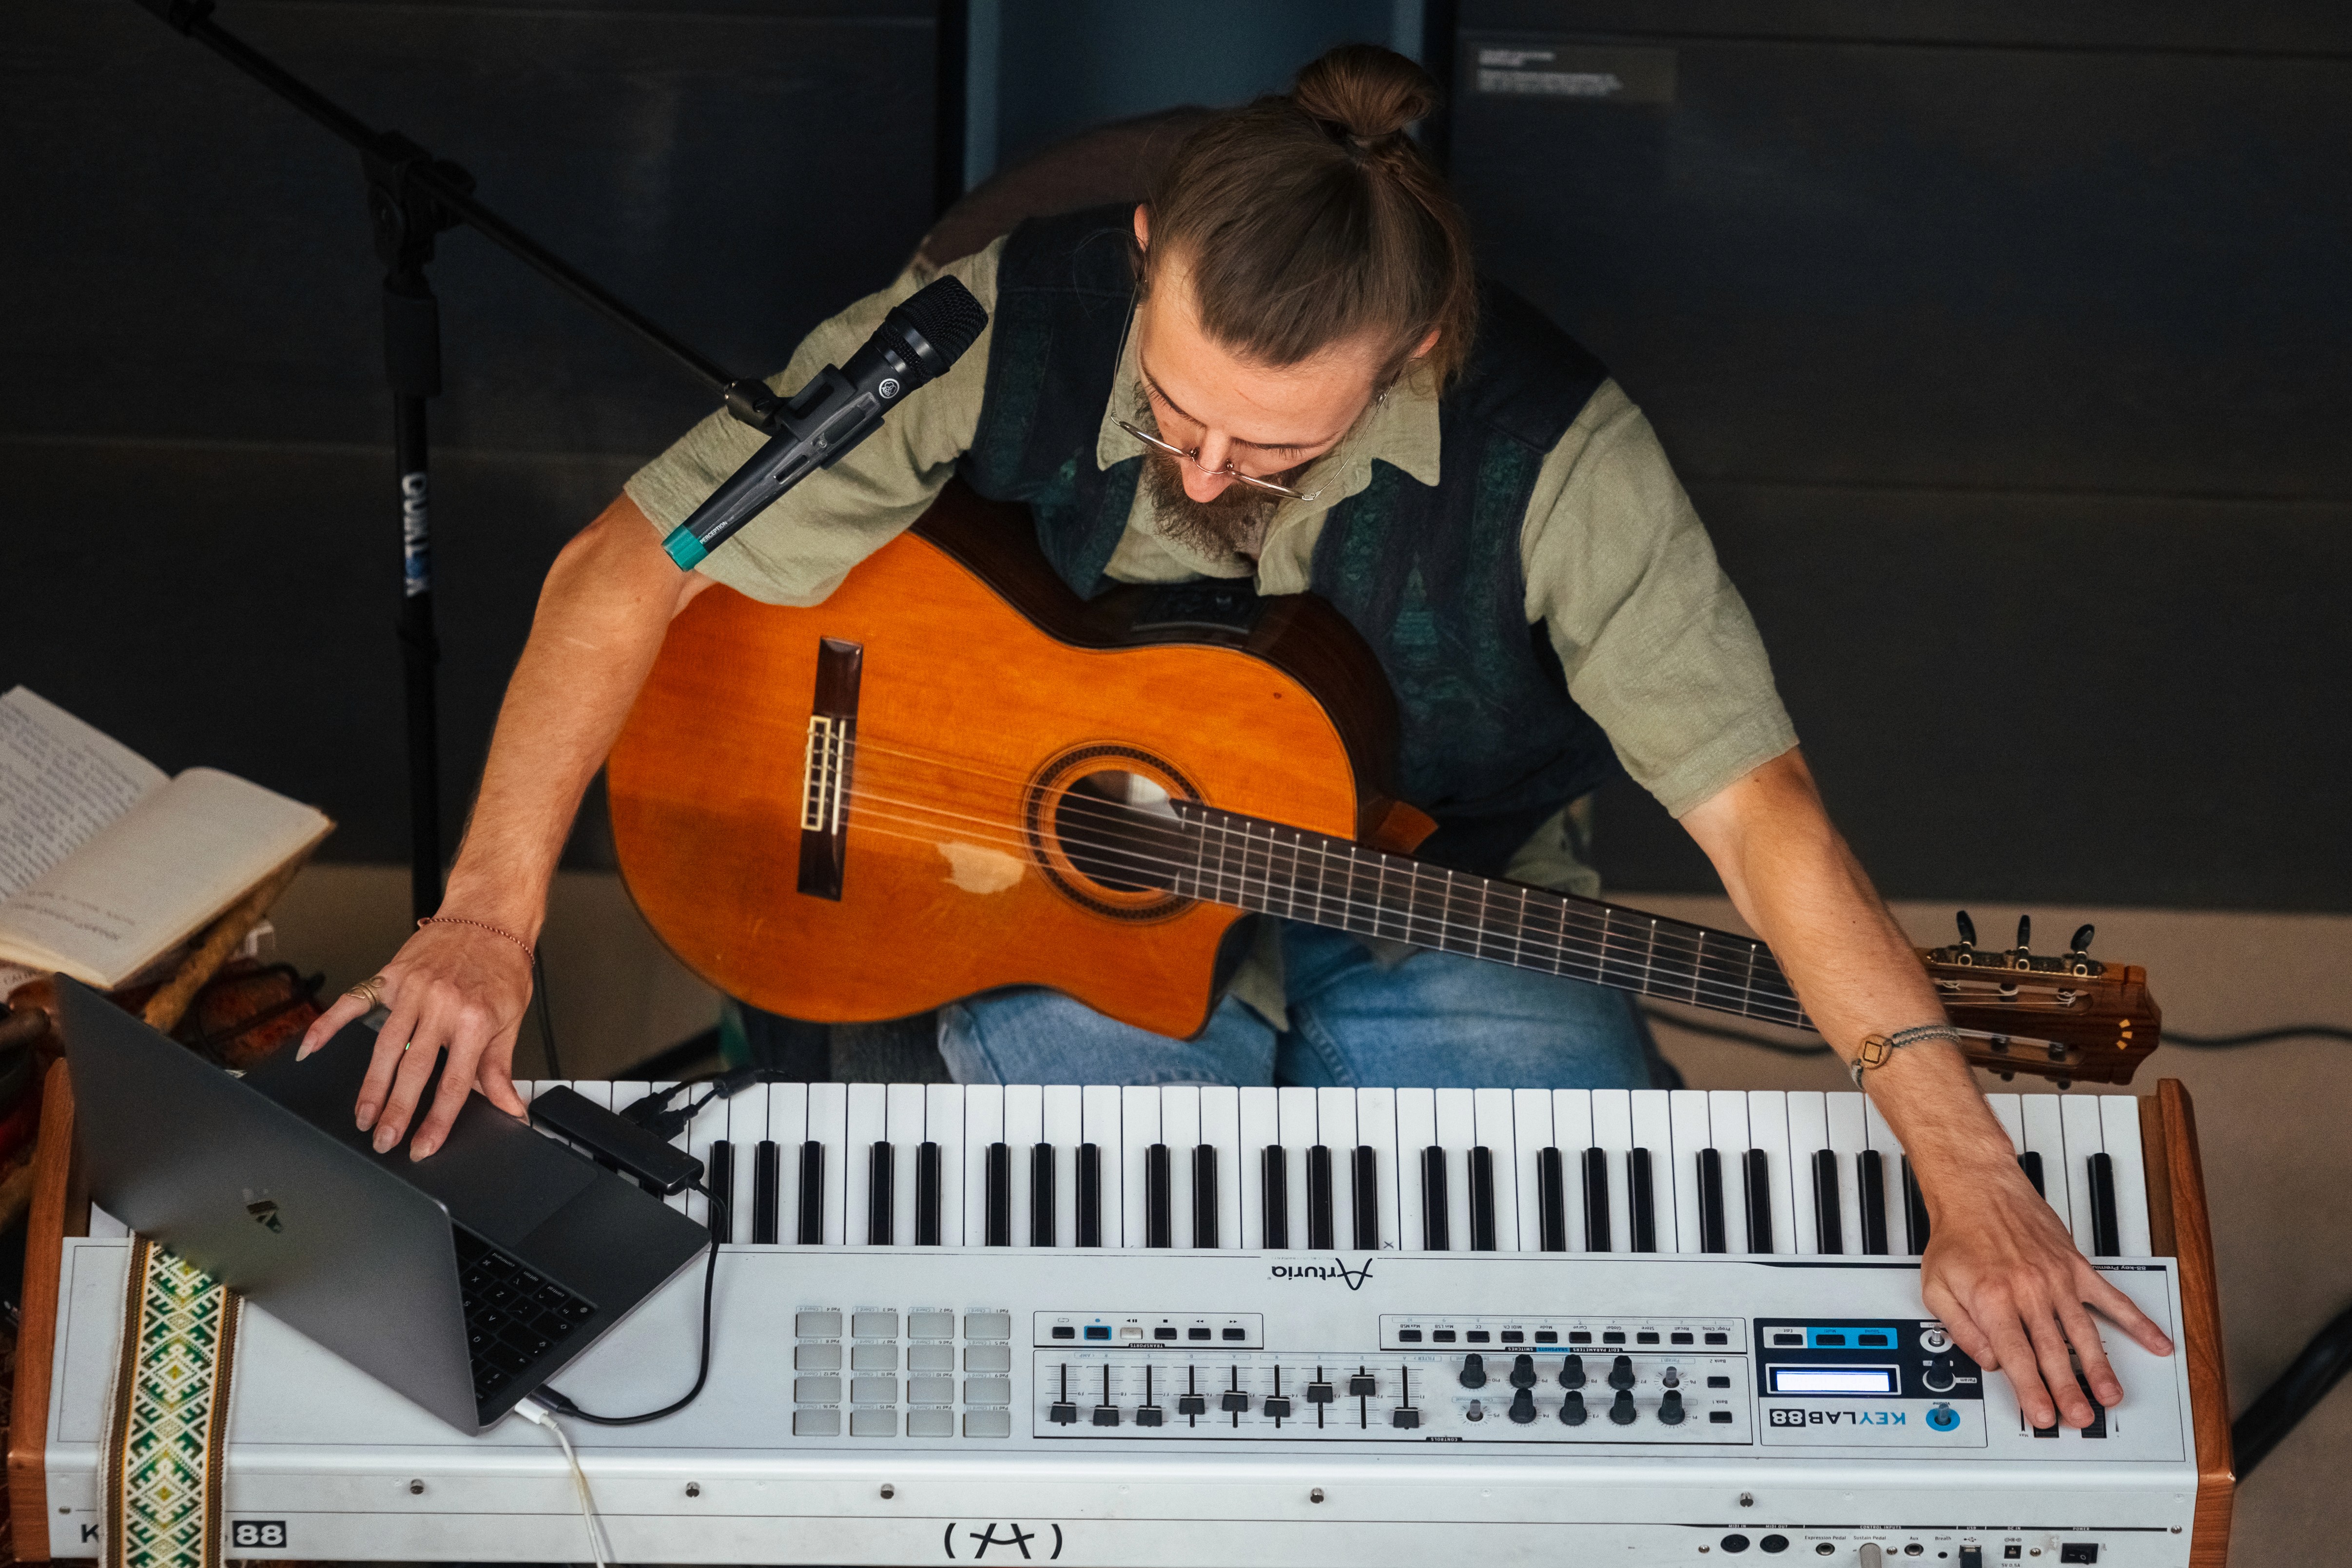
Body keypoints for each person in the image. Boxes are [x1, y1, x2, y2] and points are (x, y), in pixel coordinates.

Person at [299, 44, 2170, 1428]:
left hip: (1442, 884)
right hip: (1029, 878)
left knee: (1547, 1296)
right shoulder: (972, 327)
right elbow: (623, 570)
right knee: (1128, 1308)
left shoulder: (1566, 457)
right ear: (1139, 254)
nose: (1201, 472)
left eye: (1270, 448)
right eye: (1176, 408)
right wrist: (485, 916)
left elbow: (1766, 823)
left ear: (1415, 344)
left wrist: (1966, 1165)